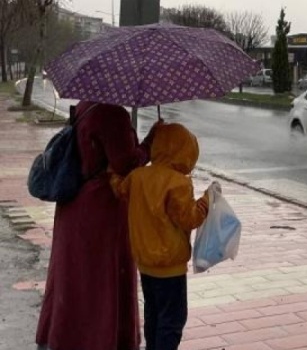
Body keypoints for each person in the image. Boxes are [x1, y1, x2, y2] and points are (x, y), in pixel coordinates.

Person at [36, 102, 158, 350]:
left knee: (74, 278)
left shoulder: (85, 105)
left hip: (74, 205)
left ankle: (66, 338)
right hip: (101, 210)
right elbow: (126, 163)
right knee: (100, 279)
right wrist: (150, 143)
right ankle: (101, 340)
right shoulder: (112, 113)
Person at [112, 122, 213, 350]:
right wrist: (207, 200)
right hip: (170, 266)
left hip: (145, 263)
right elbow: (189, 219)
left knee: (153, 313)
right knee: (173, 319)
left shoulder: (138, 176)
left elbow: (120, 188)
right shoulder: (178, 183)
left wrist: (111, 174)